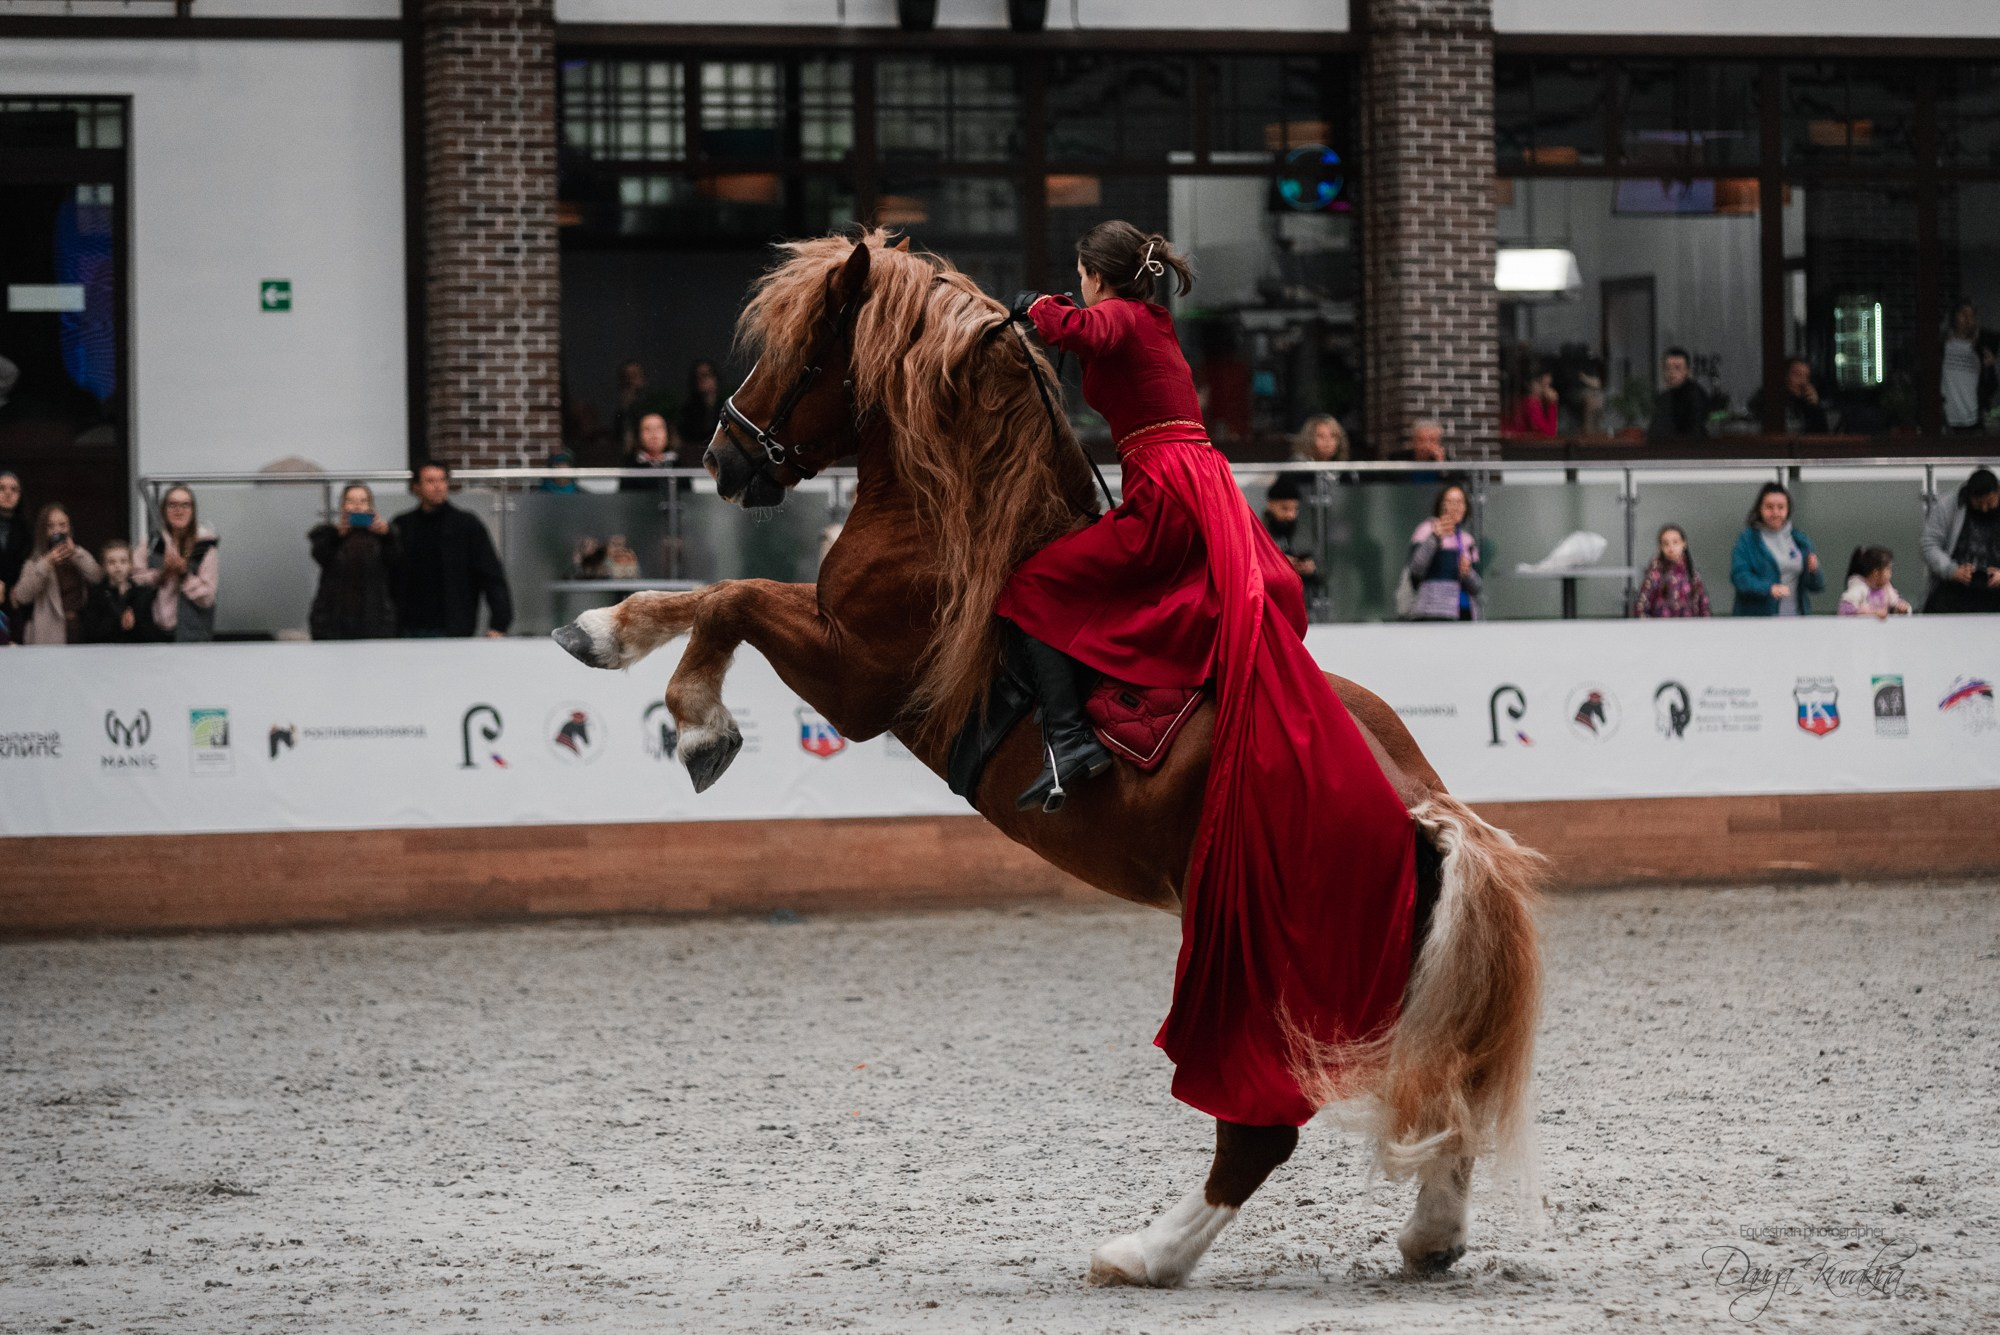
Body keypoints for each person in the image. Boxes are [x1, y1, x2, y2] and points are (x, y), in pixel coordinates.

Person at [998, 219, 1416, 1131]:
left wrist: (1030, 306)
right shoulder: (1152, 322)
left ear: (1096, 276)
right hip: (1191, 481)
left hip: (1169, 491)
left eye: (1081, 278)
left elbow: (1078, 332)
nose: (1078, 294)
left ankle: (1071, 739)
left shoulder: (1126, 320)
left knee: (1032, 586)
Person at [390, 462, 513, 638]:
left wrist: (500, 623)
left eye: (442, 480)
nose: (438, 486)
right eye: (430, 481)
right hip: (408, 625)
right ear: (416, 487)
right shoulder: (403, 525)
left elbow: (491, 574)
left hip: (453, 625)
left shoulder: (466, 524)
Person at [308, 483, 401, 640]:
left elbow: (396, 561)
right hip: (333, 618)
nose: (357, 506)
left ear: (371, 507)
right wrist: (337, 536)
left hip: (375, 617)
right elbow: (320, 556)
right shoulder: (329, 535)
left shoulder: (382, 538)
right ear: (342, 505)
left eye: (363, 501)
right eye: (351, 501)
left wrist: (387, 536)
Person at [132, 484, 220, 641]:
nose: (179, 510)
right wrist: (161, 574)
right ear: (164, 510)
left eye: (185, 505)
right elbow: (135, 580)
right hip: (152, 632)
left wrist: (184, 573)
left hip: (192, 633)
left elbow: (207, 598)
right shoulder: (153, 542)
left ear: (193, 510)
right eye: (172, 505)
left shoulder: (203, 547)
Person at [12, 502, 101, 644]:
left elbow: (98, 577)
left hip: (81, 630)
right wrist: (47, 563)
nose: (57, 531)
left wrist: (76, 554)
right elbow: (22, 596)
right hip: (50, 632)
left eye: (62, 525)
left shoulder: (78, 557)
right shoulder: (35, 562)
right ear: (43, 530)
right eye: (50, 526)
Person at [1729, 482, 1822, 616]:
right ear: (1760, 509)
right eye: (1769, 507)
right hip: (1759, 621)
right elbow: (1740, 578)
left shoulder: (1800, 540)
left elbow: (1816, 586)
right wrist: (1769, 588)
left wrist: (1814, 571)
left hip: (1796, 619)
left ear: (1788, 509)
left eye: (1781, 507)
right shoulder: (1747, 540)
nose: (1775, 512)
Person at [1920, 467, 2000, 614]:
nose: (1984, 509)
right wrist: (1951, 570)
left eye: (1989, 502)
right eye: (1978, 503)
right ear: (1969, 496)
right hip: (1953, 593)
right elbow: (1929, 544)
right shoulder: (1948, 505)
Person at [1403, 483, 1482, 621]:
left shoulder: (1468, 540)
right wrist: (1435, 538)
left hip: (1465, 614)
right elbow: (1416, 569)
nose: (1455, 507)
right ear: (1441, 506)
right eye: (1449, 501)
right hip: (1432, 614)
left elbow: (1477, 587)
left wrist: (1467, 572)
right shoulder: (1426, 530)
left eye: (1459, 502)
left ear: (1465, 508)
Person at [82, 539, 154, 643]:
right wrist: (117, 621)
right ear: (104, 566)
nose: (118, 566)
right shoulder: (96, 594)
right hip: (105, 652)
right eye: (111, 562)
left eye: (123, 561)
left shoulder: (142, 594)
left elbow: (150, 633)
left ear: (131, 565)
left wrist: (134, 623)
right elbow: (90, 631)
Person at [1633, 523, 1711, 618]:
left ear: (1684, 543)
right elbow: (1642, 606)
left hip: (1690, 627)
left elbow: (1703, 604)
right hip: (1661, 628)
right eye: (1666, 543)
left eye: (1675, 542)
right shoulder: (1655, 573)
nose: (1671, 547)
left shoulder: (1692, 572)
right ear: (1661, 547)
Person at [1941, 301, 1996, 433]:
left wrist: (1990, 368)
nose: (1967, 318)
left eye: (1971, 315)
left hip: (1972, 423)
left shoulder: (1980, 351)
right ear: (1954, 317)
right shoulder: (1942, 348)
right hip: (1945, 423)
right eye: (1963, 313)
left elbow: (1990, 388)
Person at [1261, 475, 1321, 595]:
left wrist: (1307, 569)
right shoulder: (1256, 533)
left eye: (1295, 509)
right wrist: (1280, 564)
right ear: (1270, 504)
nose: (1291, 515)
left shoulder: (1293, 532)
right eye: (1285, 508)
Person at [1747, 357, 1830, 435]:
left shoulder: (1807, 403)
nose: (1803, 382)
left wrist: (1816, 407)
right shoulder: (1768, 397)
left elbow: (1822, 436)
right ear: (1784, 376)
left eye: (1806, 377)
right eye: (1797, 375)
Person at [1647, 347, 1711, 443]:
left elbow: (1694, 431)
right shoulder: (1663, 399)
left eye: (1677, 368)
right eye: (1667, 368)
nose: (1671, 372)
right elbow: (1655, 431)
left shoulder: (1695, 396)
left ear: (1688, 371)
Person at [1838, 545, 1912, 619]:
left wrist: (1901, 609)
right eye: (1888, 569)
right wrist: (1871, 613)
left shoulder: (1887, 590)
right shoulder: (1859, 589)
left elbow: (1895, 603)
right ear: (1876, 573)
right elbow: (1844, 610)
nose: (1890, 573)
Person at [619, 411, 679, 492]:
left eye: (659, 428)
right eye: (647, 429)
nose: (654, 434)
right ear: (638, 435)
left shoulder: (678, 463)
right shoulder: (630, 464)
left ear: (668, 433)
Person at [676, 359, 724, 451]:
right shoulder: (687, 411)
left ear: (715, 378)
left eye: (706, 375)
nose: (701, 380)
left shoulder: (726, 409)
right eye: (697, 376)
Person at [1503, 368, 1560, 437]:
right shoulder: (1531, 402)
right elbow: (1549, 434)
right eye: (1542, 385)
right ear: (1529, 384)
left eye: (1548, 385)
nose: (1547, 390)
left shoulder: (1521, 401)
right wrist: (1552, 404)